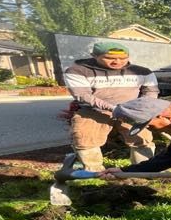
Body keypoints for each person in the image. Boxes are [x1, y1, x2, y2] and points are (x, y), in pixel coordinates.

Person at [62, 41, 159, 172]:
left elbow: (151, 91)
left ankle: (144, 170)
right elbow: (83, 95)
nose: (117, 62)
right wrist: (113, 108)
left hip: (130, 111)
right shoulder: (77, 71)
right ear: (94, 56)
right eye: (109, 58)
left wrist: (143, 107)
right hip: (93, 111)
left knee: (142, 139)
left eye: (123, 58)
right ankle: (94, 173)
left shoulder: (142, 72)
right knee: (85, 140)